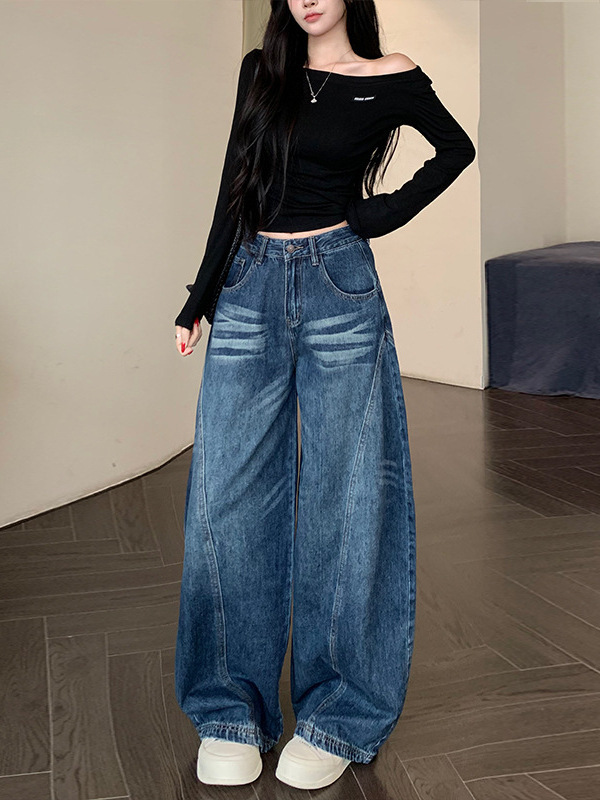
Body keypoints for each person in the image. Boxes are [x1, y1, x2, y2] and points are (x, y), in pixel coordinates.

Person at [174, 0, 476, 791]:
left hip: (339, 284)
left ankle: (338, 712)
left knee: (351, 496)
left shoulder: (390, 77)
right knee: (227, 496)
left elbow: (456, 148)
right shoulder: (262, 71)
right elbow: (235, 185)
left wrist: (377, 214)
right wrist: (199, 297)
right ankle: (229, 711)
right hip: (247, 282)